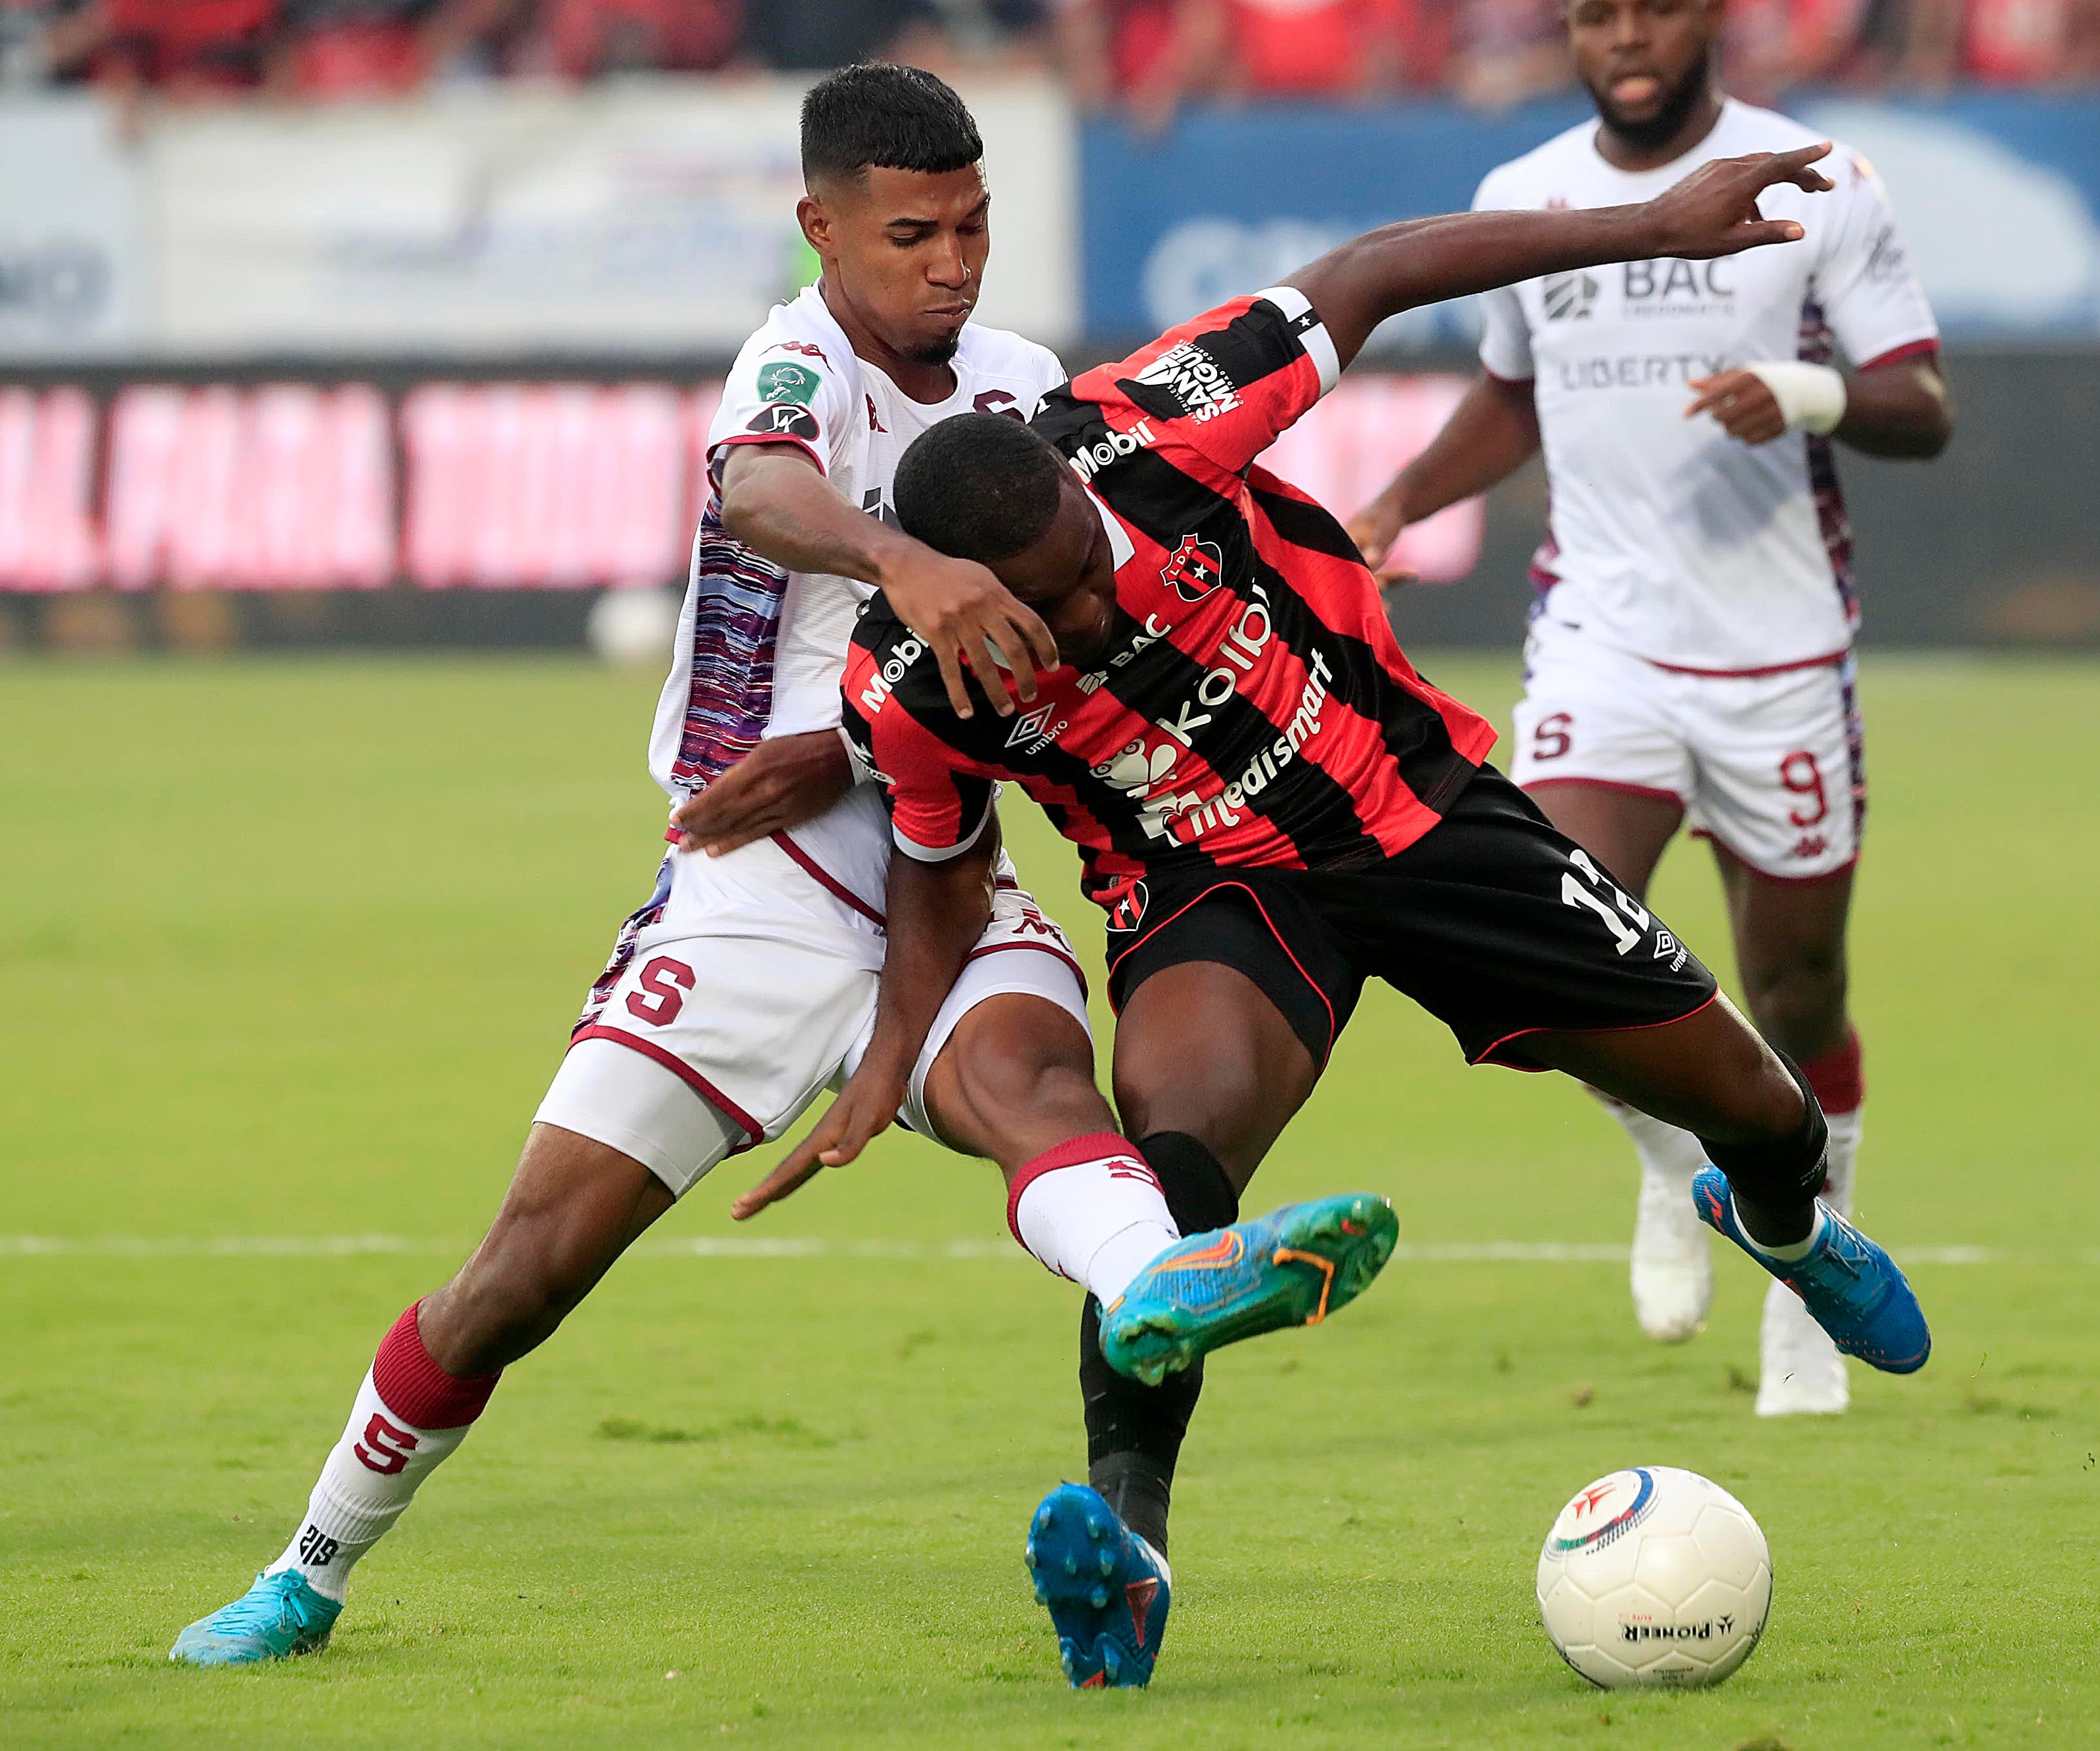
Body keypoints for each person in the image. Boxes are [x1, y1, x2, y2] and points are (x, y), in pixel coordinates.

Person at [167, 61, 1389, 1669]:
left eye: (970, 226)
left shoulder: (1025, 388)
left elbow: (1105, 571)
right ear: (820, 228)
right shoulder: (792, 361)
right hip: (753, 900)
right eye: (909, 234)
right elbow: (761, 489)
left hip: (939, 871)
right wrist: (902, 558)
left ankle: (1170, 1285)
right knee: (521, 1276)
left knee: (1043, 1093)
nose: (949, 263)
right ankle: (309, 1567)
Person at [751, 142, 1932, 1690]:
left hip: (1422, 812)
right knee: (1164, 1203)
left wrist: (1645, 222)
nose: (1092, 620)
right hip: (1209, 893)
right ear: (956, 592)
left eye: (1087, 579)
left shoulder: (1153, 427)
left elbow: (1373, 271)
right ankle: (1128, 1556)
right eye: (1053, 616)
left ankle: (1774, 1219)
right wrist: (890, 1047)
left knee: (1758, 1113)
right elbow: (937, 861)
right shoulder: (915, 680)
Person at [1346, 0, 1953, 1417]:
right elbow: (1513, 396)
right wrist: (1392, 502)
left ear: (1707, 20)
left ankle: (1810, 1263)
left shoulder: (1817, 179)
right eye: (1594, 15)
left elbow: (1919, 403)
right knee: (1550, 950)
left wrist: (1803, 392)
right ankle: (1680, 1167)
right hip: (1600, 641)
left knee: (1799, 986)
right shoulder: (1524, 196)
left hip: (1780, 652)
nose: (1623, 38)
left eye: (1652, 10)